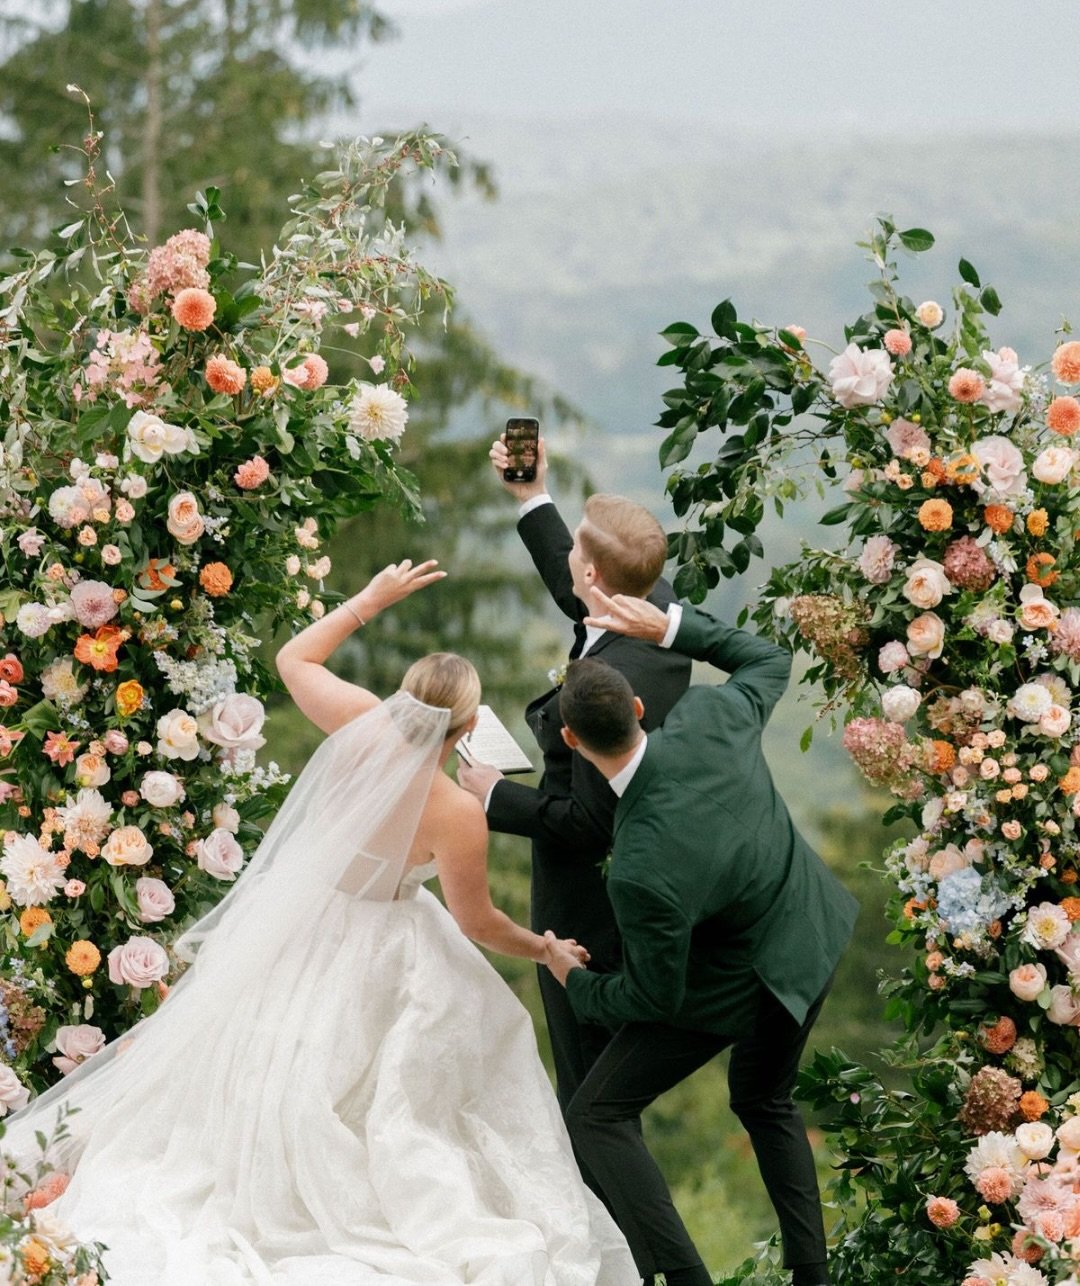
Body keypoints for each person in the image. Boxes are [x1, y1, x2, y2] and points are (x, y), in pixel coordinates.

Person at [1, 559, 639, 1286]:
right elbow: (477, 922)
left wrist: (370, 599)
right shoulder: (459, 812)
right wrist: (545, 948)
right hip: (388, 945)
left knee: (263, 1062)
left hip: (300, 926)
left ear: (406, 700)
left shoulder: (361, 723)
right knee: (426, 1071)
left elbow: (293, 657)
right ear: (465, 728)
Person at [544, 590, 859, 1286]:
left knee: (596, 1114)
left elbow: (655, 993)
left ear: (570, 741)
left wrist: (573, 979)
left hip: (748, 973)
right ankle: (815, 1276)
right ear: (637, 709)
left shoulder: (639, 870)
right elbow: (768, 659)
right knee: (762, 1098)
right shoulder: (711, 716)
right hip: (812, 923)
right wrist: (672, 626)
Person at [458, 437, 691, 1126]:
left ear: (594, 575)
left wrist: (493, 795)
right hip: (618, 878)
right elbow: (576, 591)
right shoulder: (650, 608)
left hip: (587, 901)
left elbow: (590, 822)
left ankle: (602, 1219)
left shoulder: (608, 684)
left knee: (587, 1081)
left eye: (578, 556)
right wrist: (531, 495)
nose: (570, 566)